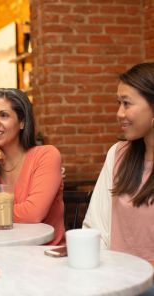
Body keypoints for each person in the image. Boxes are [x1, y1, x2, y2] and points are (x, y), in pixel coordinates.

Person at [0, 88, 65, 245]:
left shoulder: (46, 156)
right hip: (0, 252)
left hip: (45, 254)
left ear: (22, 122)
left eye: (4, 115)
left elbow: (33, 214)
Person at [83, 63, 154, 265]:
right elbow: (95, 226)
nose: (119, 113)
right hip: (117, 275)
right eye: (118, 103)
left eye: (127, 103)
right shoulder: (118, 154)